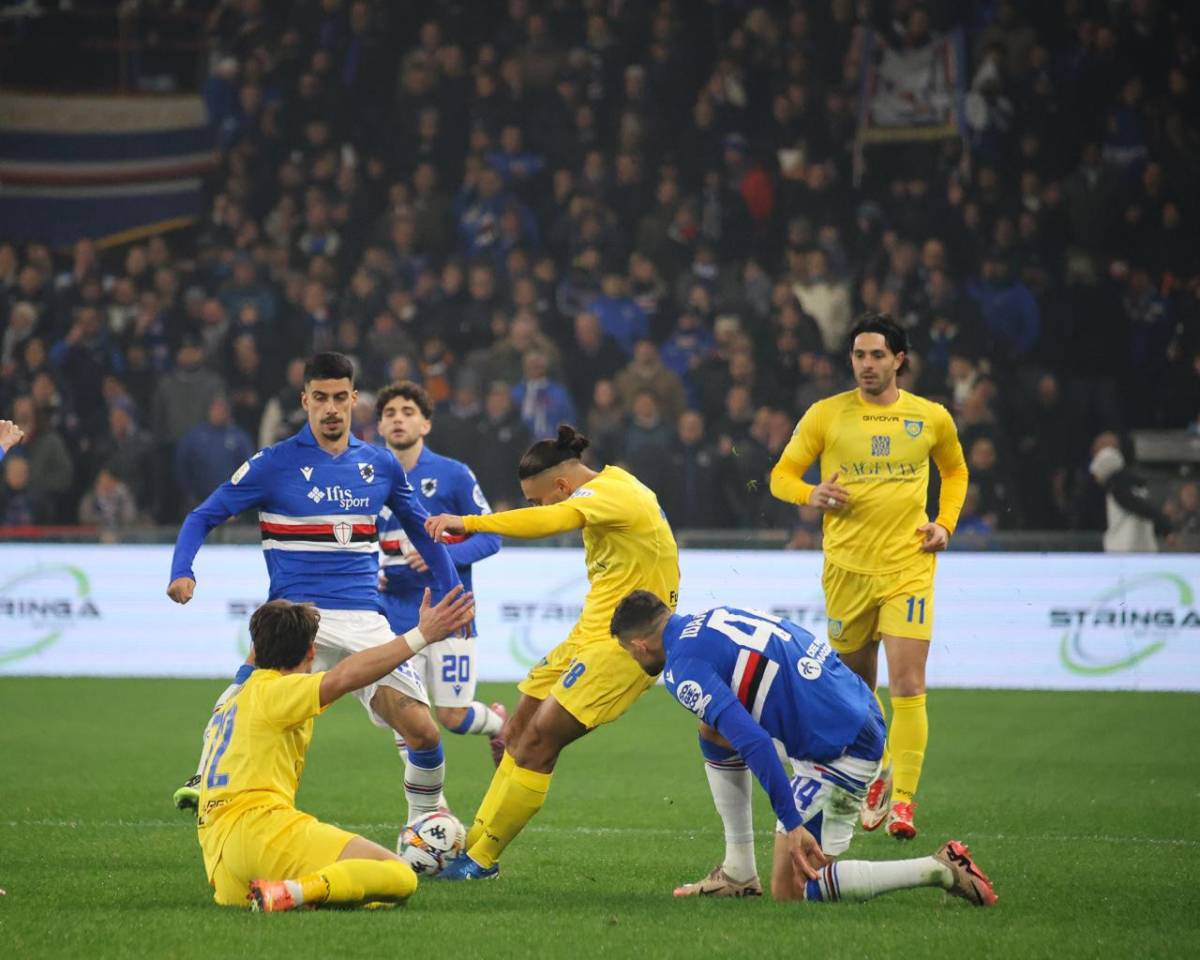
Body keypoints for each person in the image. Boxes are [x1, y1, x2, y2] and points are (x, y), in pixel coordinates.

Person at [168, 353, 462, 831]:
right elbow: (202, 515)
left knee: (424, 732)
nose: (331, 408)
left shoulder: (380, 464)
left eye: (340, 397)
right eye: (320, 397)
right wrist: (183, 570)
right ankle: (207, 772)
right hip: (296, 617)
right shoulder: (273, 463)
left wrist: (452, 593)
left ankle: (423, 827)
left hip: (365, 620)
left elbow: (425, 531)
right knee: (248, 698)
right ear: (305, 400)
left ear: (354, 400)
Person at [610, 590, 996, 908]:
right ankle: (738, 873)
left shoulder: (682, 668)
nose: (633, 658)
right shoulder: (714, 616)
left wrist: (791, 822)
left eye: (629, 652)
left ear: (640, 645)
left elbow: (753, 741)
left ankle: (941, 869)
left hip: (841, 750)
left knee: (792, 890)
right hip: (853, 707)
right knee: (712, 728)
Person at [424, 424, 679, 879]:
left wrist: (472, 522)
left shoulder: (614, 493)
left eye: (537, 499)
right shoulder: (604, 491)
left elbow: (548, 522)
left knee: (540, 742)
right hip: (588, 635)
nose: (536, 508)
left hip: (626, 646)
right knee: (517, 732)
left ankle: (482, 861)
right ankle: (475, 843)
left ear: (562, 486)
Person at [769, 313, 968, 843]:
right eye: (859, 355)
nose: (867, 364)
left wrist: (945, 523)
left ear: (899, 359)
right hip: (847, 572)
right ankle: (879, 767)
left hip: (908, 568)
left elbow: (955, 471)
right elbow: (780, 476)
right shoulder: (826, 414)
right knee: (857, 694)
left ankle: (903, 801)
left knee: (908, 685)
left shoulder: (930, 418)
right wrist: (810, 493)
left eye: (877, 355)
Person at [199, 588, 476, 910]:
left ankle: (287, 892)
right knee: (399, 875)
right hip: (260, 830)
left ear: (256, 650)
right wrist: (421, 635)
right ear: (312, 651)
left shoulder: (233, 699)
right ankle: (296, 892)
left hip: (219, 854)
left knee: (370, 897)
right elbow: (344, 676)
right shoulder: (276, 691)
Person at [375, 380, 508, 775]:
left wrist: (440, 556)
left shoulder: (453, 475)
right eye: (389, 413)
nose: (398, 419)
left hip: (451, 612)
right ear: (379, 426)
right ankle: (434, 805)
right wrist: (370, 574)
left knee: (453, 716)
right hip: (396, 616)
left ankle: (501, 726)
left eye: (408, 412)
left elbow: (491, 537)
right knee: (406, 716)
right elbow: (356, 540)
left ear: (426, 424)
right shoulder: (366, 479)